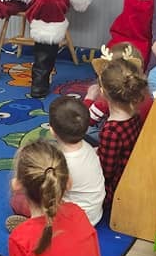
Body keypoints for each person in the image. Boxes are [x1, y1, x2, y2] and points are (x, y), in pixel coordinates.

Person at [8, 96, 105, 228]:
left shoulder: (60, 162)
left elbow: (48, 189)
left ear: (52, 130)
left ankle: (38, 226)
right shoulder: (88, 148)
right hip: (94, 213)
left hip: (74, 220)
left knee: (18, 200)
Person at [97, 59, 149, 207]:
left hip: (115, 188)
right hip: (129, 175)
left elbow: (105, 172)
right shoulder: (135, 114)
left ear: (102, 92)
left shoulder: (111, 130)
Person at [84, 43, 153, 136]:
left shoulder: (104, 100)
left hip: (113, 137)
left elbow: (84, 121)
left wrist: (89, 98)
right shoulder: (146, 95)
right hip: (137, 139)